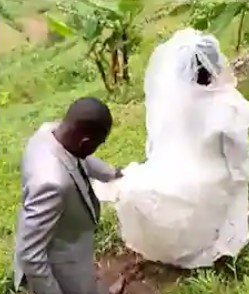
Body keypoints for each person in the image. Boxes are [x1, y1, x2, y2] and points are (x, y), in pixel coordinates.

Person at [94, 29, 249, 269]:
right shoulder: (229, 105)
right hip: (211, 183)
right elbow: (240, 161)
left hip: (177, 171)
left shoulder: (176, 102)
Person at [13, 97, 128, 294]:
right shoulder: (50, 183)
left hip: (72, 239)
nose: (95, 150)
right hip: (59, 255)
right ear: (85, 140)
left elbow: (81, 160)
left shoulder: (50, 133)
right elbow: (30, 252)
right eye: (96, 145)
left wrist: (111, 174)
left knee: (88, 284)